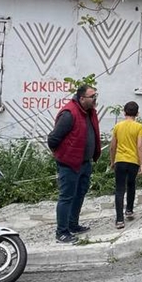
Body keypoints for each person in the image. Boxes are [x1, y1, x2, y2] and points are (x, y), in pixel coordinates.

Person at [47, 84, 101, 243]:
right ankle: (62, 232)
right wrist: (64, 155)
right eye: (92, 96)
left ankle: (73, 224)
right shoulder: (69, 114)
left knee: (80, 194)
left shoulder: (89, 112)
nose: (95, 99)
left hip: (85, 163)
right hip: (69, 164)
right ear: (82, 98)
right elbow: (53, 139)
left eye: (95, 95)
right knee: (66, 197)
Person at [109, 101, 142, 229]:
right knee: (131, 184)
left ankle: (119, 220)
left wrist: (112, 161)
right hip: (133, 161)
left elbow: (112, 146)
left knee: (119, 189)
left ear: (124, 112)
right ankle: (129, 210)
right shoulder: (139, 127)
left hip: (120, 160)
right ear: (137, 113)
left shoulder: (118, 126)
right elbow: (140, 146)